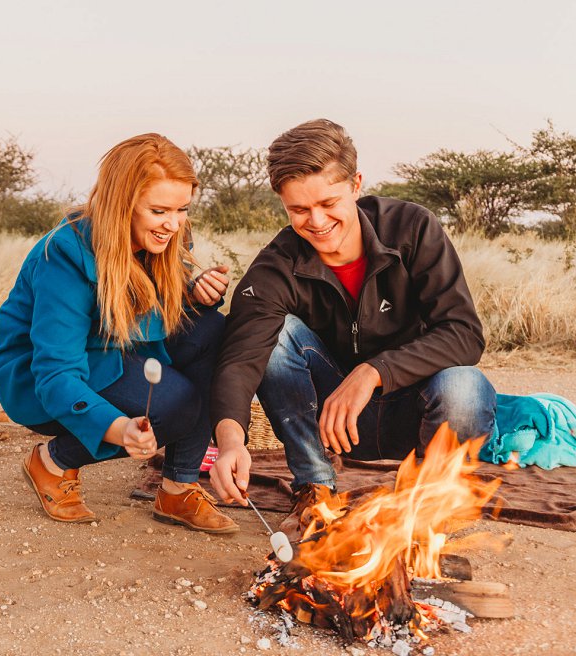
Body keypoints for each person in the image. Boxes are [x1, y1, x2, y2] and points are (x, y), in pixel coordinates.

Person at [208, 119, 496, 519]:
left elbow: (464, 334)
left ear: (356, 184)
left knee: (466, 385)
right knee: (277, 335)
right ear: (282, 202)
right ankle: (314, 486)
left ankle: (426, 506)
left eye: (328, 204)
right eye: (299, 209)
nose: (318, 222)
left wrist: (372, 372)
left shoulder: (413, 228)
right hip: (331, 422)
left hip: (416, 406)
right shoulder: (276, 266)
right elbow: (240, 359)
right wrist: (230, 443)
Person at [0, 133, 238, 533]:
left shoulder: (163, 236)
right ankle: (52, 461)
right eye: (159, 210)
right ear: (122, 203)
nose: (173, 224)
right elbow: (55, 374)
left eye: (182, 209)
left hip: (121, 346)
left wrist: (194, 288)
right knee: (176, 403)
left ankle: (178, 488)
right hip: (43, 376)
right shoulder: (65, 255)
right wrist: (119, 429)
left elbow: (155, 290)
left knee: (214, 331)